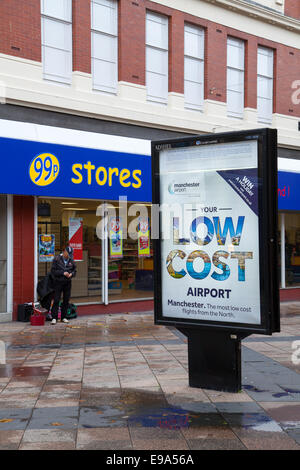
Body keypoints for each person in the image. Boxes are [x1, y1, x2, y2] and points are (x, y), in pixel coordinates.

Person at [50, 245, 76, 325]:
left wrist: (71, 274)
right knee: (56, 299)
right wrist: (62, 273)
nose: (69, 257)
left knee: (66, 300)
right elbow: (53, 271)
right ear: (64, 251)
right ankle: (54, 318)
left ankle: (63, 317)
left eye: (70, 255)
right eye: (68, 254)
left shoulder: (71, 260)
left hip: (67, 282)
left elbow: (74, 270)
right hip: (58, 282)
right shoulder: (57, 259)